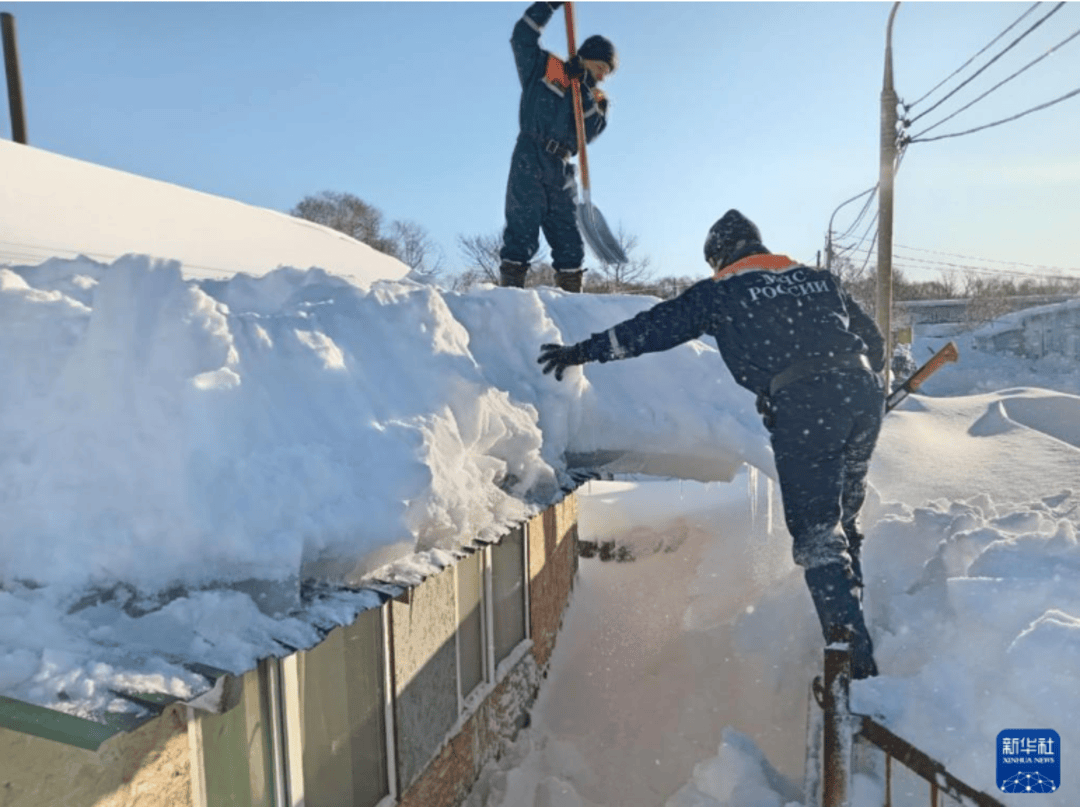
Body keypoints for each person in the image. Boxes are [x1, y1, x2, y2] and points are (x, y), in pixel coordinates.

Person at [537, 210, 887, 679]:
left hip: (806, 406)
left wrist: (581, 351)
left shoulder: (722, 290)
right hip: (861, 394)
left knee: (817, 533)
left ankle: (851, 663)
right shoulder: (820, 280)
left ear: (719, 259)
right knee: (844, 512)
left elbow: (652, 329)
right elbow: (875, 345)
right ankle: (856, 613)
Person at [498, 1, 617, 293]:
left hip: (562, 167)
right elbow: (522, 37)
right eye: (602, 68)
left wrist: (582, 90)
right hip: (530, 152)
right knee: (522, 226)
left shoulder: (598, 99)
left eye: (607, 73)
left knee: (568, 238)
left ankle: (571, 300)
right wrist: (548, 5)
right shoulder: (544, 67)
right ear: (588, 57)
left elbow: (590, 131)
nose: (603, 76)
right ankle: (510, 296)